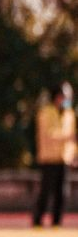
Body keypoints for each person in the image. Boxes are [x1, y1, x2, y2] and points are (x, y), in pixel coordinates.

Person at [32, 81, 76, 227]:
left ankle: (57, 223)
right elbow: (48, 135)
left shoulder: (69, 114)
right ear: (57, 97)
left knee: (62, 193)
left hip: (64, 158)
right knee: (46, 192)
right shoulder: (46, 112)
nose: (67, 100)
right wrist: (66, 137)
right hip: (49, 158)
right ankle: (37, 221)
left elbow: (73, 137)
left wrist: (74, 154)